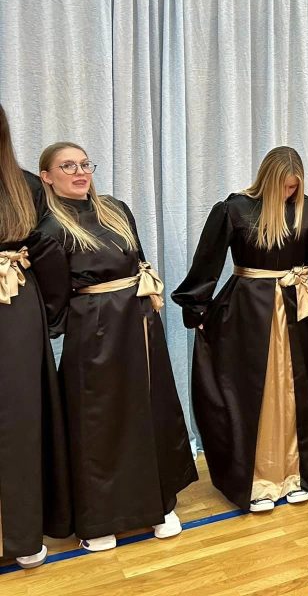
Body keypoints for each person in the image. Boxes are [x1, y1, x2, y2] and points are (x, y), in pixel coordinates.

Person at [172, 147, 308, 513]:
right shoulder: (234, 209)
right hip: (248, 312)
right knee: (254, 391)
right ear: (268, 179)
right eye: (283, 186)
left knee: (295, 390)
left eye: (294, 187)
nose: (288, 193)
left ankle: (295, 473)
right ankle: (256, 480)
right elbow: (208, 260)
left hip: (299, 311)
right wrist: (197, 306)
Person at [38, 141, 196, 551]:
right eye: (67, 166)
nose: (80, 172)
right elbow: (54, 302)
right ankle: (99, 519)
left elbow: (138, 260)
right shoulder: (49, 230)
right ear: (46, 177)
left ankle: (159, 505)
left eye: (84, 164)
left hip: (139, 322)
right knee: (99, 423)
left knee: (149, 410)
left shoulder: (116, 209)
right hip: (93, 333)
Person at [0, 107, 72, 569]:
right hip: (18, 309)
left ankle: (22, 534)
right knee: (19, 417)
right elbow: (49, 254)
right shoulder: (25, 185)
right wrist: (49, 317)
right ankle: (22, 536)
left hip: (18, 308)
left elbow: (49, 251)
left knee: (19, 417)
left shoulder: (26, 184)